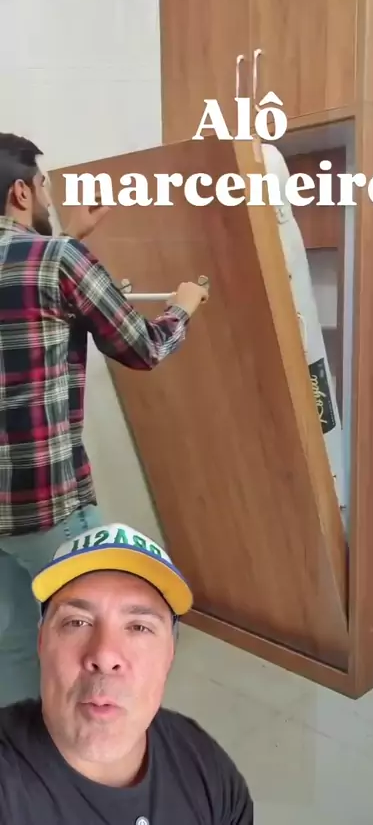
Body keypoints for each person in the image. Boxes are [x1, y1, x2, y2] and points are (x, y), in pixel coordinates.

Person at [0, 132, 209, 705]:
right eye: (43, 186)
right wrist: (184, 306)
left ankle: (19, 747)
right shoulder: (58, 260)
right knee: (106, 638)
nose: (47, 198)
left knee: (14, 640)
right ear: (20, 192)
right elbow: (144, 348)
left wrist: (68, 239)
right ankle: (95, 740)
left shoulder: (54, 257)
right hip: (45, 504)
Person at [0, 522, 253, 822]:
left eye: (139, 627)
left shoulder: (208, 773)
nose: (105, 655)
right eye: (77, 622)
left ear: (170, 653)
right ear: (41, 642)